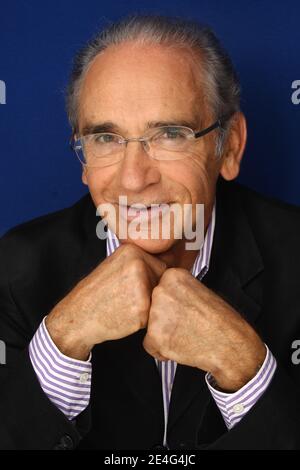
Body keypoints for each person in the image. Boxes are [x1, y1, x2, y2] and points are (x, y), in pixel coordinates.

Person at [0, 15, 300, 450]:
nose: (134, 179)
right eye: (106, 138)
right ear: (83, 160)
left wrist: (245, 368)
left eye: (170, 134)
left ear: (229, 147)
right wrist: (63, 340)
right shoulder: (15, 269)